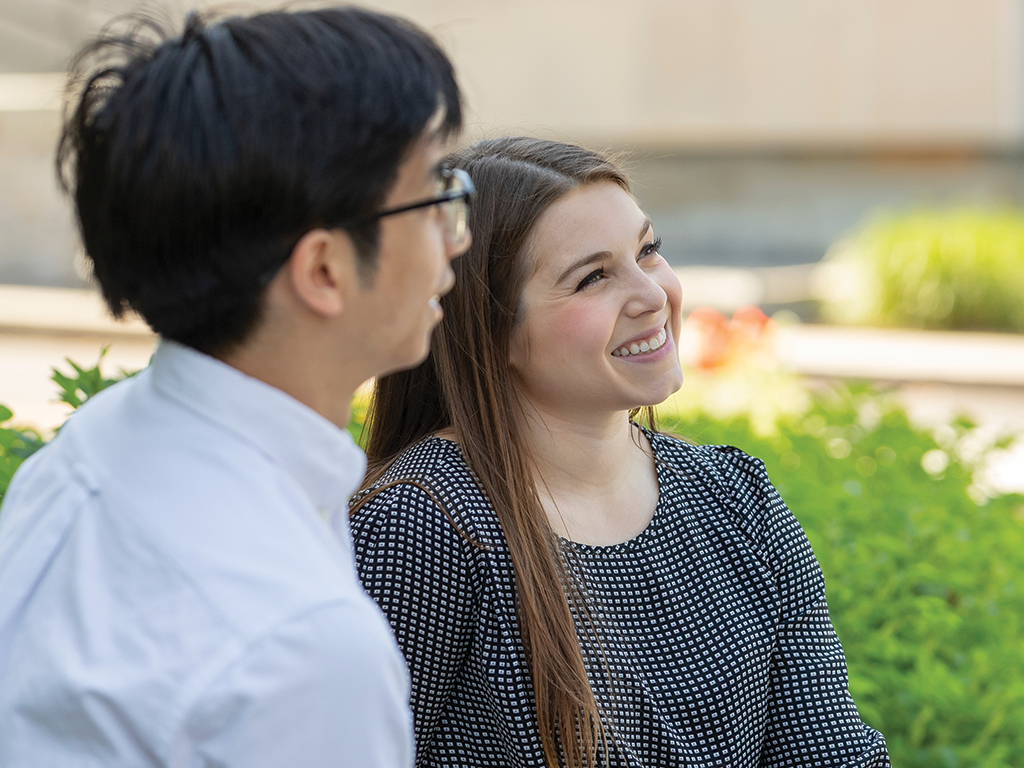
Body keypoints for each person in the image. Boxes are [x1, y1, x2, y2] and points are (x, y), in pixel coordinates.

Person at [0, 8, 471, 767]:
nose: (460, 232)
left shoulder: (93, 446)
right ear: (324, 270)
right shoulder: (301, 646)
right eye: (434, 192)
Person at [349, 137, 890, 768]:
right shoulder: (419, 528)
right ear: (489, 331)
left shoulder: (737, 498)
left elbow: (830, 751)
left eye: (648, 250)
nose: (653, 295)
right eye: (593, 277)